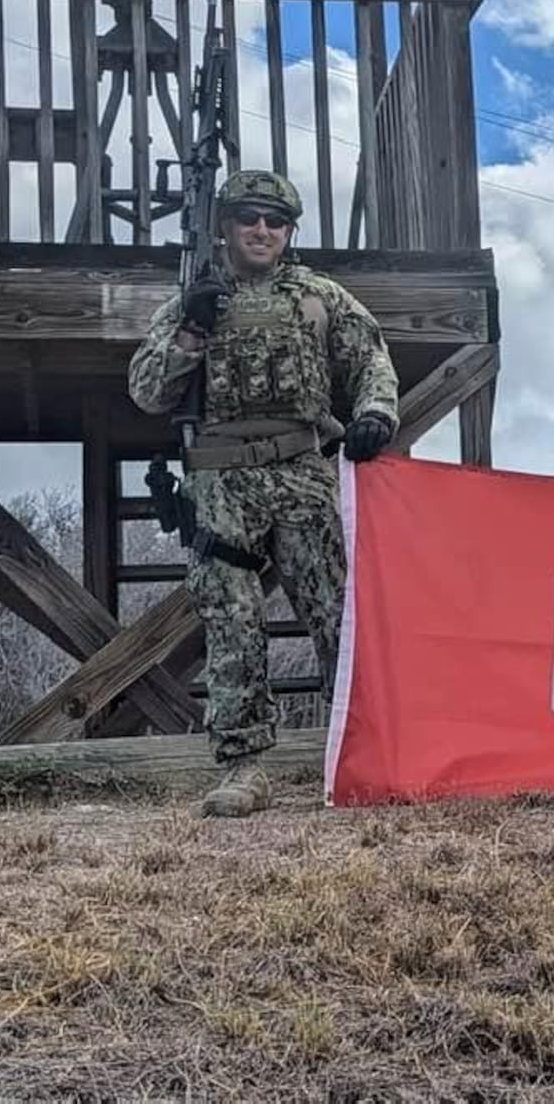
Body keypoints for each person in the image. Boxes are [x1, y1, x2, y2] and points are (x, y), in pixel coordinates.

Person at [128, 169, 399, 818]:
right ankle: (243, 765)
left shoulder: (318, 296)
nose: (261, 230)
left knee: (339, 613)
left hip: (301, 469)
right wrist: (191, 332)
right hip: (221, 480)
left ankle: (362, 752)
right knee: (232, 622)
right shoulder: (197, 300)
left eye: (274, 222)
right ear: (225, 226)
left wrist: (375, 414)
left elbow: (370, 358)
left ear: (289, 233)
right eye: (249, 218)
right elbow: (145, 391)